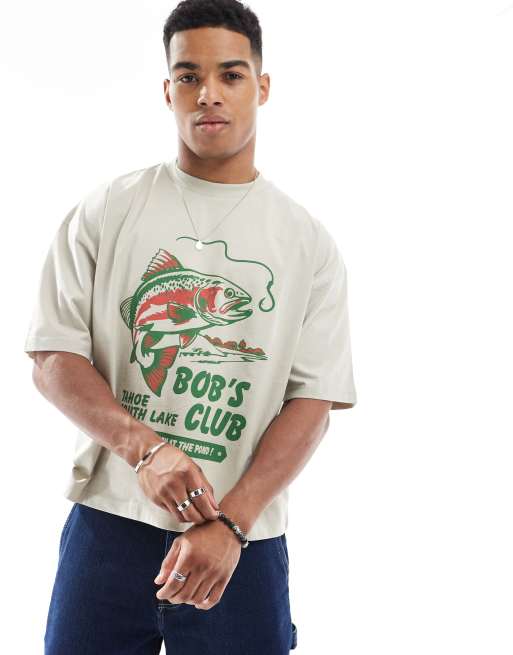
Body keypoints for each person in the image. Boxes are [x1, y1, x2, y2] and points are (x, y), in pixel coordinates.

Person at [24, 1, 358, 653]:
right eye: (188, 76)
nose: (209, 94)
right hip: (110, 524)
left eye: (230, 75)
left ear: (262, 86)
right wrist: (145, 450)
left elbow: (314, 402)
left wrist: (231, 523)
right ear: (167, 89)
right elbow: (53, 357)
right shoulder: (108, 209)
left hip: (242, 538)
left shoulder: (307, 242)